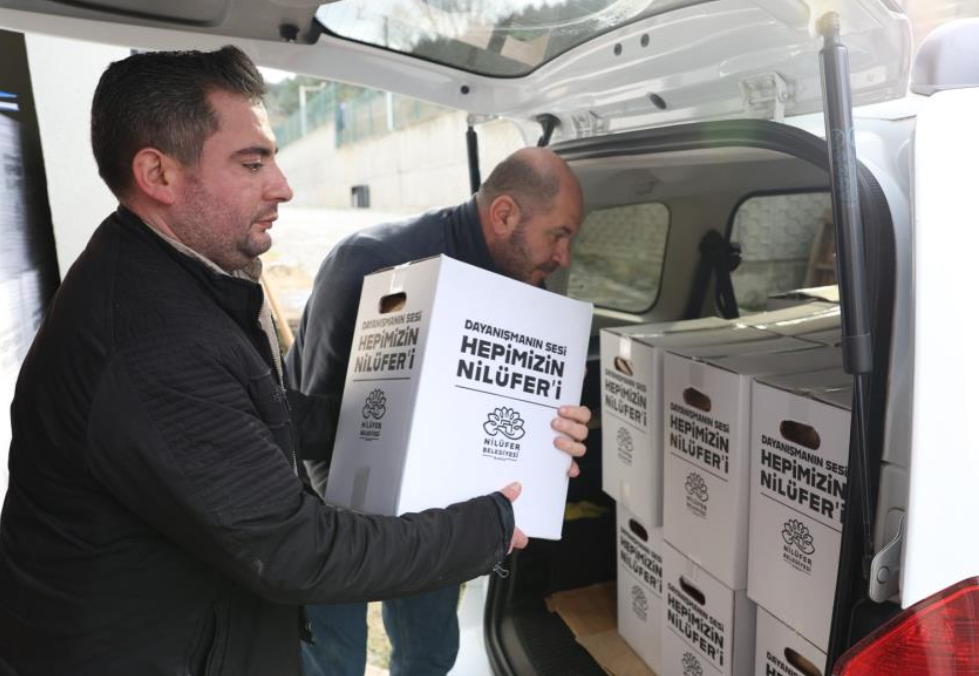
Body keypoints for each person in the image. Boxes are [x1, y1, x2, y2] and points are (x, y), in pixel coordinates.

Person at [0, 46, 580, 676]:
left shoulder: (177, 278)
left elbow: (267, 412)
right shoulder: (152, 341)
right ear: (158, 174)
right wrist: (492, 521)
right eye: (253, 163)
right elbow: (296, 552)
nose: (283, 185)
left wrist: (494, 436)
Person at [286, 146, 591, 676]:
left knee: (430, 654)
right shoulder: (368, 261)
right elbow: (312, 423)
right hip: (330, 508)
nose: (564, 257)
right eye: (558, 235)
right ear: (504, 215)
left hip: (438, 510)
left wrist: (554, 439)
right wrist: (371, 542)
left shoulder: (526, 287)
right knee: (334, 660)